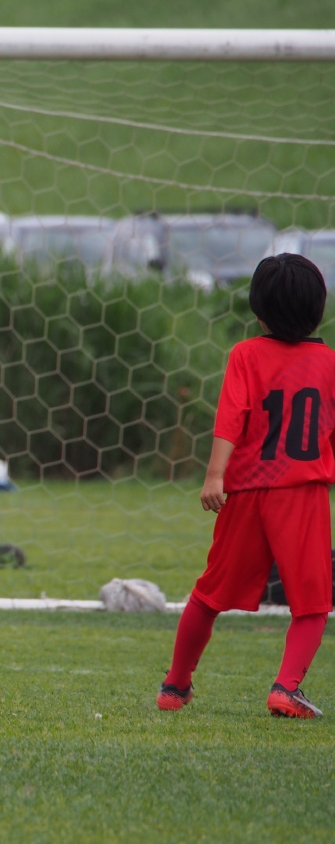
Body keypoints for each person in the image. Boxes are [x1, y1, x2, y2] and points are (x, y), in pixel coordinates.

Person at [158, 253, 335, 718]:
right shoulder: (329, 364)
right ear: (318, 309)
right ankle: (285, 688)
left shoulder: (245, 354)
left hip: (247, 493)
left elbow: (230, 417)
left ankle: (174, 686)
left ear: (259, 312)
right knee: (313, 603)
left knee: (209, 594)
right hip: (302, 494)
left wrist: (214, 475)